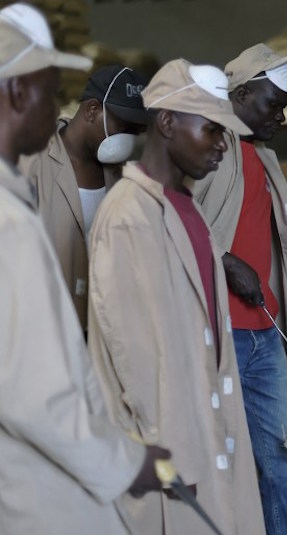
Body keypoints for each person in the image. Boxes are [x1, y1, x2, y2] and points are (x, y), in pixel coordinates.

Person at [0, 3, 167, 533]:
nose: (57, 111)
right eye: (51, 94)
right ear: (15, 92)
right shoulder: (11, 220)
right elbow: (34, 397)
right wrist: (126, 462)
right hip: (31, 482)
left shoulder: (119, 181)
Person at [86, 58, 265, 534]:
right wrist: (166, 456)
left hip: (204, 427)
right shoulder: (128, 217)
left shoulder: (186, 209)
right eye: (211, 129)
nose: (223, 144)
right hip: (170, 441)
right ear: (166, 122)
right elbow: (135, 360)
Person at [190, 43, 287, 533]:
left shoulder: (259, 156)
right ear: (241, 94)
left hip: (263, 337)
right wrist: (225, 261)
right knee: (216, 461)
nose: (280, 117)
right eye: (272, 105)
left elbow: (263, 214)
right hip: (216, 335)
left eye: (284, 108)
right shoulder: (204, 146)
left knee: (285, 458)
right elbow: (171, 220)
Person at [20, 63, 148, 331]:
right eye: (124, 127)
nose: (129, 141)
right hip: (40, 325)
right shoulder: (32, 161)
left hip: (95, 327)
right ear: (92, 110)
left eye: (136, 133)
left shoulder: (120, 178)